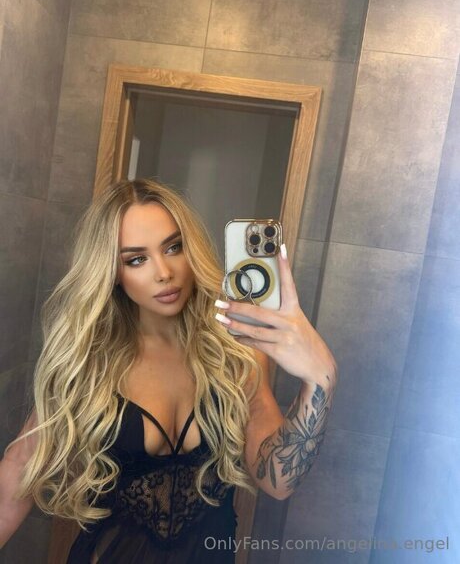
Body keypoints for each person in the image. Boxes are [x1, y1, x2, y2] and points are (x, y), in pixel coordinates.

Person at [0, 178, 338, 563]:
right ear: (112, 271)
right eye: (136, 259)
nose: (164, 272)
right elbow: (19, 469)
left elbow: (277, 479)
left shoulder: (234, 351)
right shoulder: (90, 362)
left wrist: (321, 379)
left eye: (173, 247)